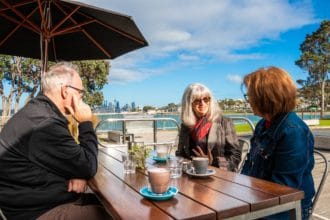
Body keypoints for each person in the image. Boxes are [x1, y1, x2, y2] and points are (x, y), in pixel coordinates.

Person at [0, 62, 109, 220]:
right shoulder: (44, 123)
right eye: (81, 93)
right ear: (65, 91)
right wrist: (86, 122)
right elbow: (88, 165)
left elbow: (75, 161)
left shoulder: (39, 113)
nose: (82, 98)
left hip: (37, 200)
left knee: (105, 203)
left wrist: (76, 171)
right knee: (117, 215)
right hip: (35, 212)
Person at [240, 67, 315, 220]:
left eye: (250, 96)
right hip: (259, 200)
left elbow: (284, 187)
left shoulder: (293, 131)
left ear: (265, 98)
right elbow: (250, 164)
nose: (248, 101)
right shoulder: (263, 124)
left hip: (286, 209)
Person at [176, 83, 242, 171]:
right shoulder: (186, 125)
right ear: (189, 103)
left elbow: (236, 156)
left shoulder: (224, 123)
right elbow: (180, 154)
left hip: (219, 177)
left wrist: (212, 162)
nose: (202, 103)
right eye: (197, 100)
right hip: (191, 173)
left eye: (206, 99)